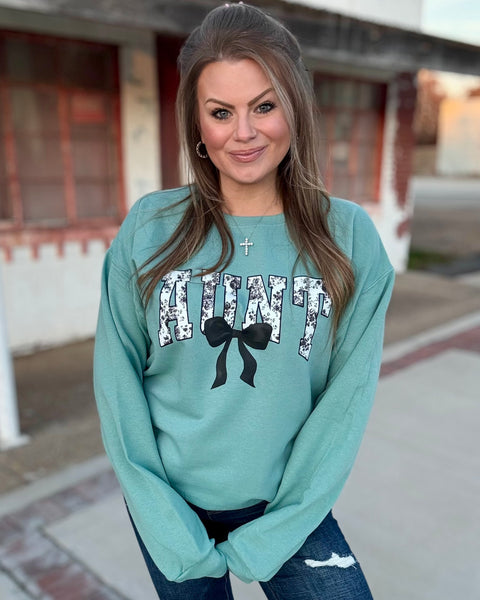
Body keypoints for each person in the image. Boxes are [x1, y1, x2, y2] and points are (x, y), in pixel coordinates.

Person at [94, 3, 394, 598]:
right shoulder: (151, 228)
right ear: (197, 124)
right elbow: (117, 381)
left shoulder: (349, 237)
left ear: (295, 106)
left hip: (287, 503)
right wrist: (163, 520)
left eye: (264, 105)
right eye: (221, 112)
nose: (245, 133)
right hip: (169, 505)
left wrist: (280, 526)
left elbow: (346, 400)